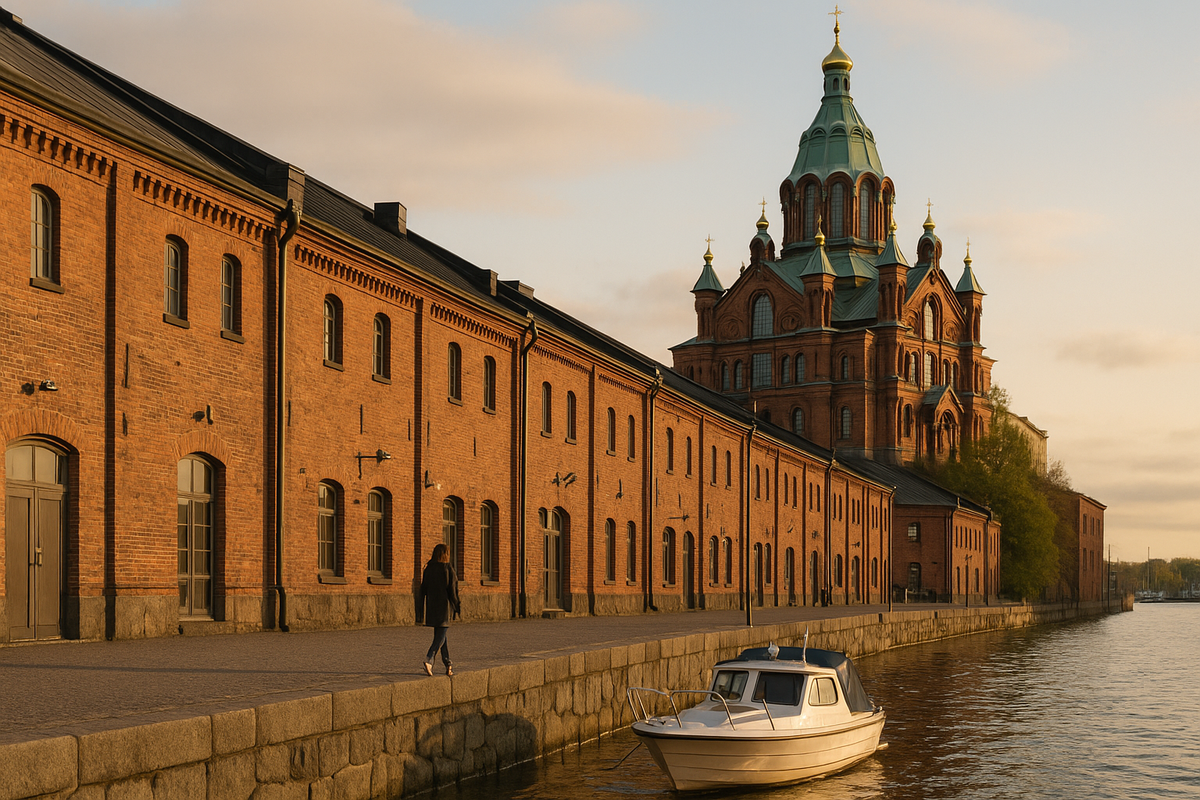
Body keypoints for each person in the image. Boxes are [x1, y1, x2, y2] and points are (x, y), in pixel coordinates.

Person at [416, 543, 460, 676]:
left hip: (432, 606)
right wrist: (457, 605)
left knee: (442, 635)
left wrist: (420, 611)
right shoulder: (447, 568)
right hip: (444, 607)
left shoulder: (428, 569)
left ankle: (448, 665)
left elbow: (422, 590)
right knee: (440, 636)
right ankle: (429, 659)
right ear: (445, 555)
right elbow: (452, 590)